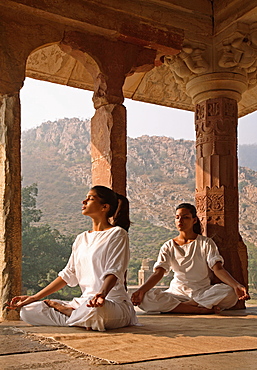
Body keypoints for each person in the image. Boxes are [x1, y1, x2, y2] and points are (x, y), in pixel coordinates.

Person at [8, 185, 138, 331]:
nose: (84, 201)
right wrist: (34, 298)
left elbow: (114, 271)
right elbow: (68, 274)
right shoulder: (81, 238)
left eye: (90, 199)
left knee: (96, 311)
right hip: (84, 304)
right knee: (28, 311)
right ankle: (78, 317)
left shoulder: (117, 234)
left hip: (111, 304)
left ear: (105, 207)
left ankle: (71, 314)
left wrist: (101, 294)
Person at [131, 203, 250, 314]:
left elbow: (218, 269)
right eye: (177, 217)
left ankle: (184, 307)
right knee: (146, 298)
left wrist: (236, 285)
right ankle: (199, 309)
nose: (180, 221)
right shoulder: (168, 246)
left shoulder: (206, 243)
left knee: (229, 293)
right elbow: (159, 272)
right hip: (176, 293)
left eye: (185, 217)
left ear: (194, 220)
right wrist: (141, 291)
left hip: (201, 293)